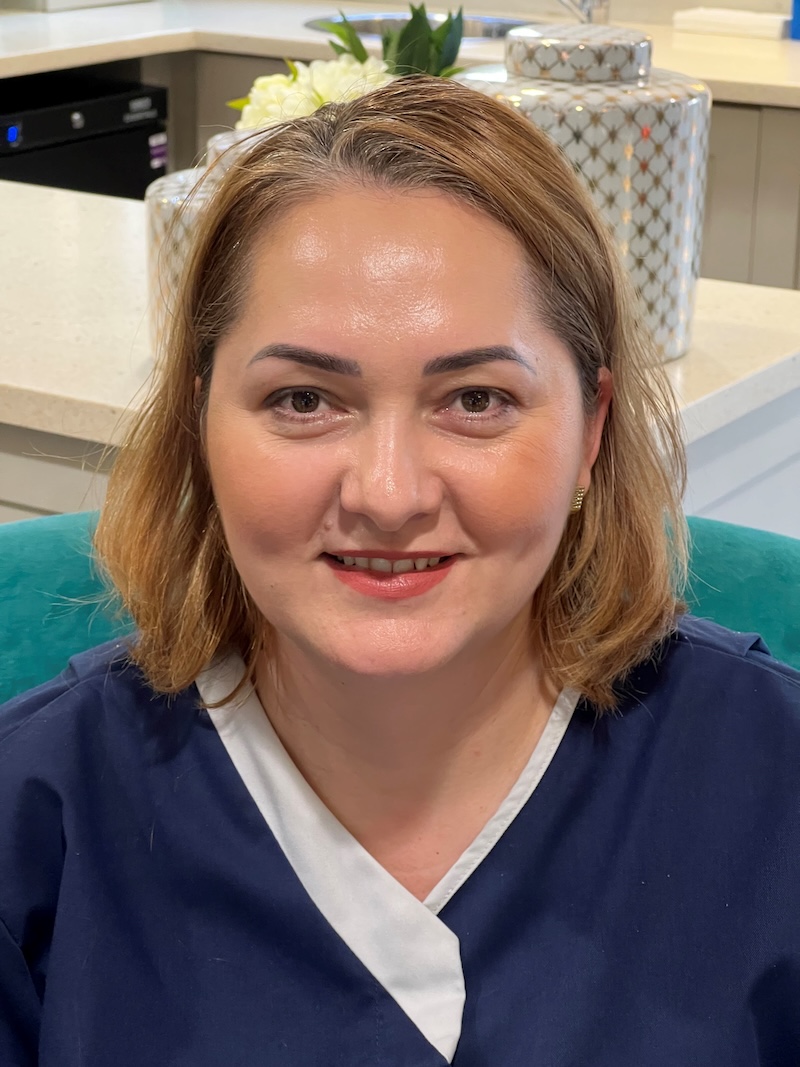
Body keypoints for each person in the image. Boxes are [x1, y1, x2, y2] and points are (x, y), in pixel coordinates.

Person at [1, 75, 799, 1066]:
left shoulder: (769, 786)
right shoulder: (36, 819)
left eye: (474, 400)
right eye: (302, 398)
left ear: (589, 429)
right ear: (200, 419)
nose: (386, 492)